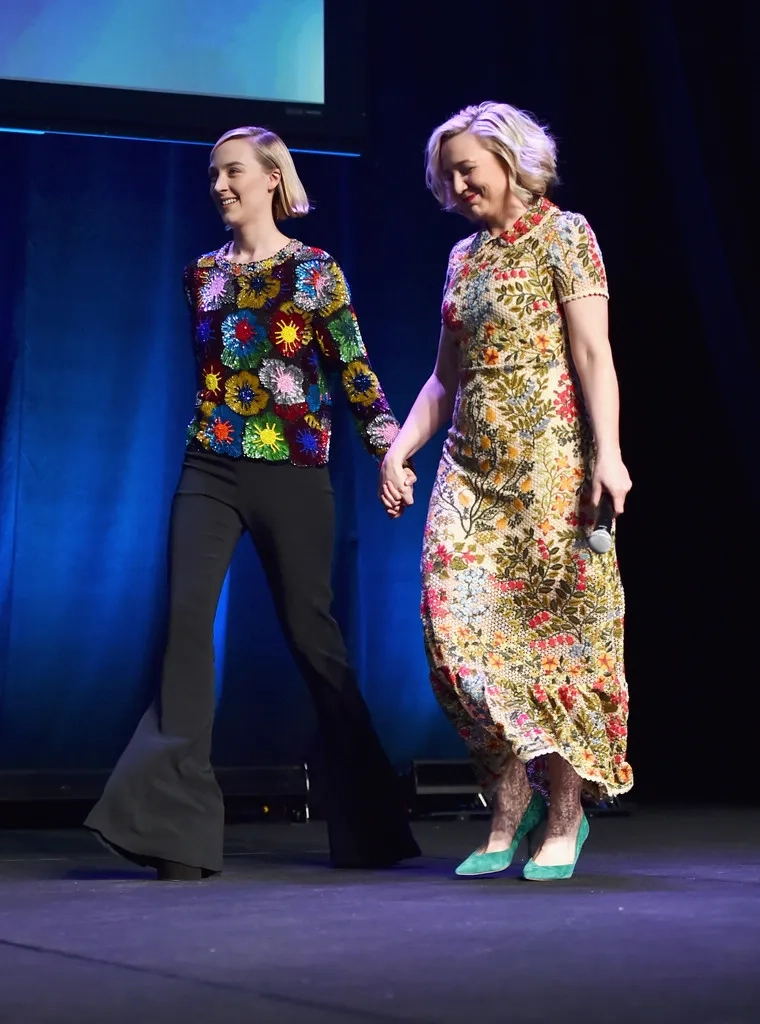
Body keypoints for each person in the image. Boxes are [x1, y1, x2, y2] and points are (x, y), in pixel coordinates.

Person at [86, 125, 420, 880]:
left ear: (272, 177)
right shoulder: (200, 273)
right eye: (212, 176)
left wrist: (388, 453)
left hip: (294, 472)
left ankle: (371, 829)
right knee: (185, 631)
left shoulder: (315, 271)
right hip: (209, 466)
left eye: (232, 172)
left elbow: (353, 372)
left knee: (313, 639)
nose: (219, 186)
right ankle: (174, 836)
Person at [380, 102, 632, 881]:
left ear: (511, 160)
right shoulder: (464, 258)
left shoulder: (567, 235)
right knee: (454, 636)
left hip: (551, 470)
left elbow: (593, 354)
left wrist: (610, 455)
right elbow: (443, 380)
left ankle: (562, 815)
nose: (456, 186)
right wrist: (398, 448)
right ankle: (510, 793)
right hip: (469, 471)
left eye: (468, 169)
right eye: (446, 175)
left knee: (552, 644)